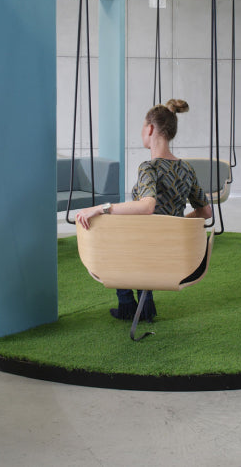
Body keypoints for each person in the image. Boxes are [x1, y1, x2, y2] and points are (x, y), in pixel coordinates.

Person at [76, 99, 212, 321]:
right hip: (173, 250)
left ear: (150, 129)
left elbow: (147, 206)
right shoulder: (187, 169)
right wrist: (178, 224)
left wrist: (100, 208)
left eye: (142, 127)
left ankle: (127, 304)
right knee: (136, 234)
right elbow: (206, 213)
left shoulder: (149, 167)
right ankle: (145, 304)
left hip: (146, 249)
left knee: (113, 234)